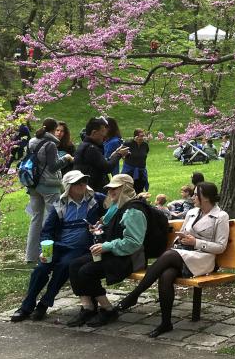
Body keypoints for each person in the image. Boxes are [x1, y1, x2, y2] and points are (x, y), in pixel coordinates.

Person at [117, 182, 229, 337]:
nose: (193, 196)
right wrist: (181, 239)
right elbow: (183, 233)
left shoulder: (221, 216)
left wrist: (195, 242)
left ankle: (134, 295)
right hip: (184, 255)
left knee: (169, 255)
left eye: (196, 194)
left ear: (206, 198)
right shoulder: (192, 212)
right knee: (166, 275)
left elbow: (221, 247)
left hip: (203, 259)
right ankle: (166, 323)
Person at [9, 170, 106, 322]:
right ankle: (26, 307)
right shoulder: (59, 205)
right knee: (40, 270)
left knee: (64, 266)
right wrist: (43, 251)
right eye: (77, 183)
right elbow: (47, 231)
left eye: (84, 181)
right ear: (68, 187)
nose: (82, 185)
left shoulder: (96, 200)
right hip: (59, 246)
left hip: (79, 248)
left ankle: (43, 305)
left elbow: (115, 206)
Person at [65, 174, 147, 328]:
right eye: (110, 189)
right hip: (114, 252)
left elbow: (133, 243)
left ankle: (108, 310)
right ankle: (88, 307)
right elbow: (111, 228)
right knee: (74, 265)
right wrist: (98, 230)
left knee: (87, 271)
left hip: (129, 258)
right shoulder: (116, 207)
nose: (111, 191)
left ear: (126, 188)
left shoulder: (133, 211)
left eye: (115, 188)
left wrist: (106, 246)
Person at [24, 118, 73, 264]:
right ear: (53, 129)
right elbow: (53, 166)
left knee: (36, 219)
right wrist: (66, 158)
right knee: (55, 218)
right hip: (49, 186)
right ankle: (52, 254)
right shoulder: (51, 144)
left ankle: (31, 256)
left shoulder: (32, 141)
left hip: (33, 184)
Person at [74, 118, 129, 192]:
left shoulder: (86, 146)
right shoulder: (91, 148)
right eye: (102, 131)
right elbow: (107, 168)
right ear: (94, 133)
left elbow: (100, 164)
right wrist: (119, 154)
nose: (105, 134)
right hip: (93, 191)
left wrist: (113, 156)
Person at [121, 129, 151, 193]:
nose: (143, 137)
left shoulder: (145, 145)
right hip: (129, 171)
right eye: (141, 136)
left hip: (141, 171)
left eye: (144, 136)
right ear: (136, 136)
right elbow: (122, 155)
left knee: (139, 190)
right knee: (128, 190)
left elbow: (145, 153)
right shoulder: (128, 143)